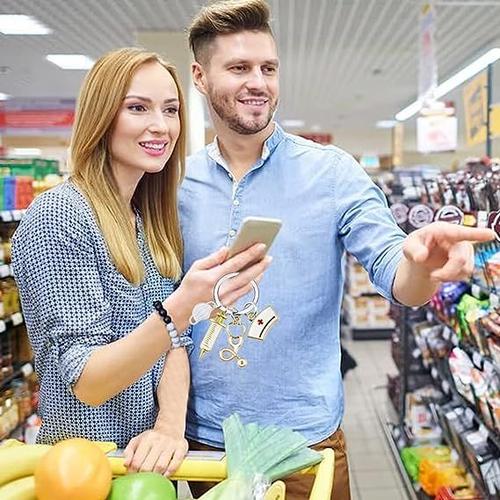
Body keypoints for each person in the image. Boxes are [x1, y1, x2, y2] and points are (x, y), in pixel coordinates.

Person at [179, 1, 495, 499]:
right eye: (238, 68)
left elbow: (399, 275)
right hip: (207, 443)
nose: (257, 82)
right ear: (200, 76)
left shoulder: (332, 172)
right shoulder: (176, 183)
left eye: (268, 68)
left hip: (307, 444)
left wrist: (422, 265)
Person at [11, 47, 270, 478]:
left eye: (171, 110)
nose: (161, 126)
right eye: (137, 108)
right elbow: (88, 380)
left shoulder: (145, 219)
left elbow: (174, 344)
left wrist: (169, 429)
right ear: (102, 117)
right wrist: (182, 306)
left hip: (148, 468)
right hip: (83, 471)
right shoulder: (59, 216)